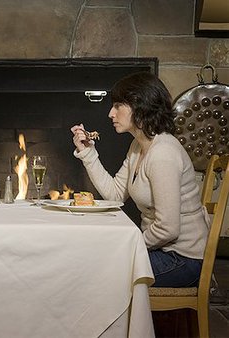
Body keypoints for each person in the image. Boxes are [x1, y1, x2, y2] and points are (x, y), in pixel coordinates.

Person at [71, 72, 210, 287]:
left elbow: (168, 228)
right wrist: (88, 153)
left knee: (99, 271)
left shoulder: (163, 153)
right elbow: (115, 194)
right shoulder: (138, 146)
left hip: (182, 259)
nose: (110, 113)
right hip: (161, 251)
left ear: (140, 106)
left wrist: (128, 244)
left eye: (118, 105)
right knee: (95, 263)